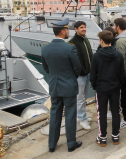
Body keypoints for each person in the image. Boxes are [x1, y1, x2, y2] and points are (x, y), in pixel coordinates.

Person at [41, 18, 82, 153]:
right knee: (70, 114)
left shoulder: (45, 48)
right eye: (67, 29)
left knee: (55, 115)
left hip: (54, 85)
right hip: (69, 86)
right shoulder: (70, 48)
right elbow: (77, 68)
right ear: (63, 31)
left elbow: (46, 69)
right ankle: (71, 143)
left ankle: (52, 144)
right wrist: (71, 78)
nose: (68, 31)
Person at [90, 30, 126, 147]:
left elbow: (93, 75)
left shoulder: (96, 56)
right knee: (116, 111)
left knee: (102, 113)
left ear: (101, 41)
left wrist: (95, 86)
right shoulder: (119, 55)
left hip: (101, 89)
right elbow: (122, 74)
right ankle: (115, 135)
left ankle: (103, 137)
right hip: (115, 88)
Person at [68, 21, 93, 130]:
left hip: (88, 74)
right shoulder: (72, 43)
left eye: (85, 27)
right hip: (80, 76)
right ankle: (82, 119)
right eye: (81, 27)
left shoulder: (85, 40)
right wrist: (81, 71)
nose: (84, 29)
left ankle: (81, 115)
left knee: (85, 97)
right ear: (76, 29)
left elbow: (90, 56)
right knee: (80, 98)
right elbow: (73, 61)